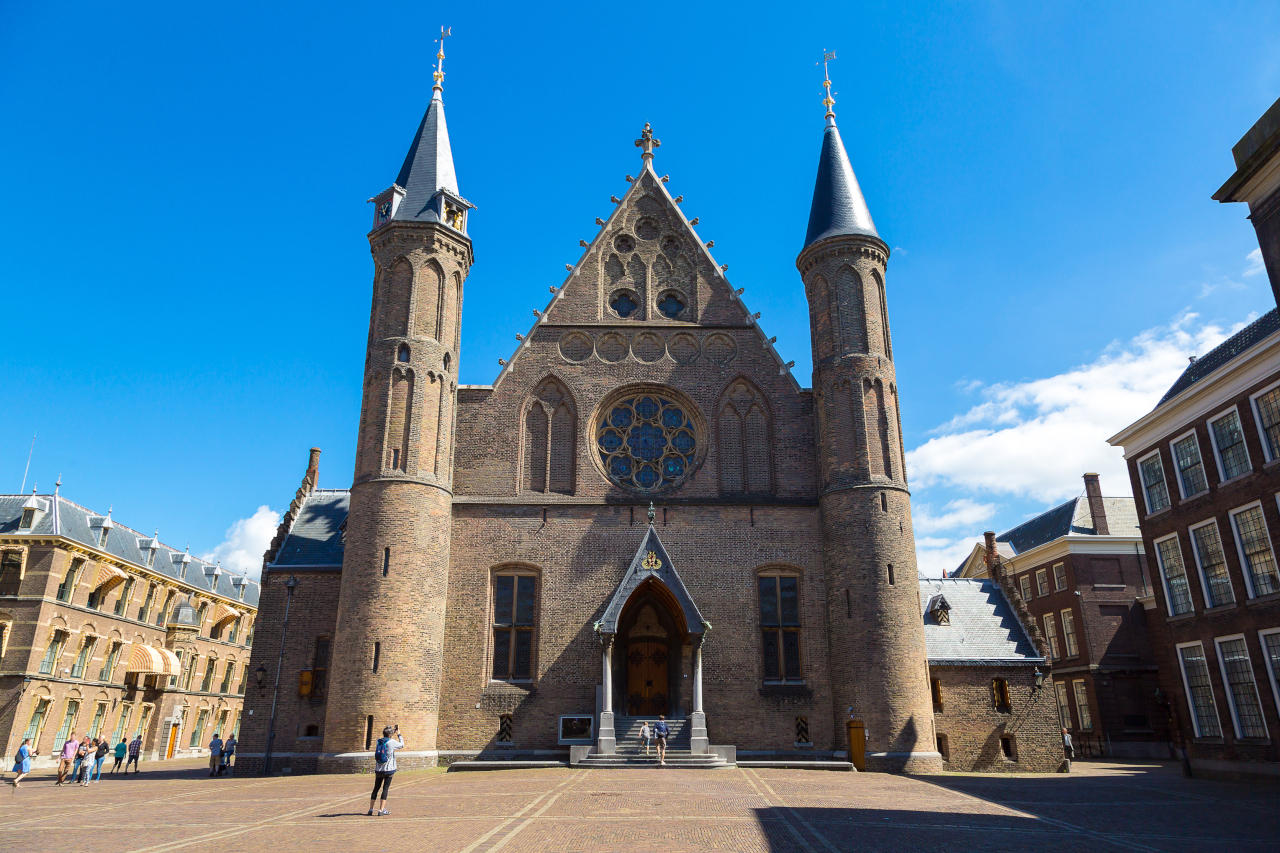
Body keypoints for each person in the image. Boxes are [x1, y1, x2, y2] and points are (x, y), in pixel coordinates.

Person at [368, 725, 404, 817]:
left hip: (378, 769)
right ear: (391, 734)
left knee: (376, 788)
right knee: (385, 788)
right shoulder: (392, 742)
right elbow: (401, 745)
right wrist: (399, 734)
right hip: (389, 769)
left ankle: (371, 809)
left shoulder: (379, 741)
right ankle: (381, 810)